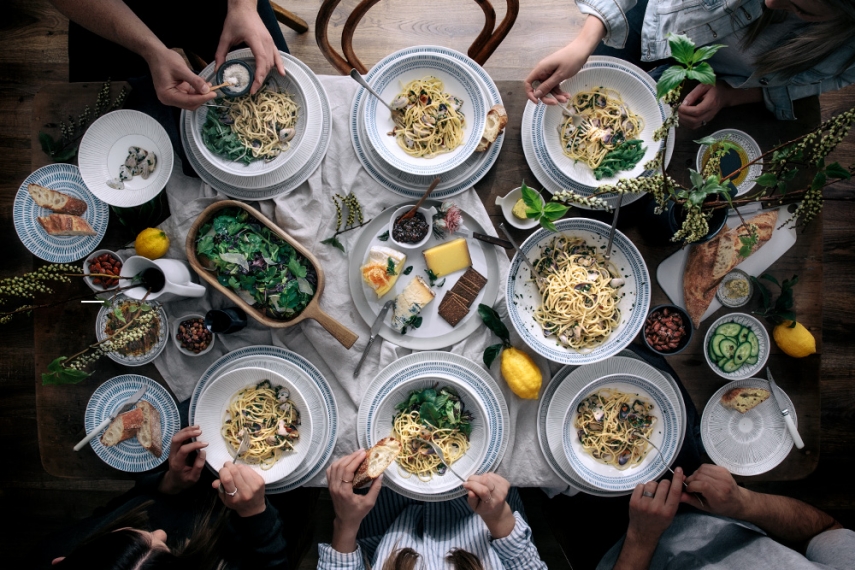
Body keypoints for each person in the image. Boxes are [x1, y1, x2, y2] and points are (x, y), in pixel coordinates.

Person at [525, 0, 855, 126]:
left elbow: (821, 81)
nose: (770, 2)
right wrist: (584, 42)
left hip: (713, 79)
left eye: (801, 8)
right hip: (653, 21)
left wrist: (729, 95)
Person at [40, 425, 296, 569]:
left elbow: (115, 509)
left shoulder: (54, 549)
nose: (160, 532)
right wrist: (256, 515)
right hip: (264, 515)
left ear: (61, 563)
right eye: (165, 548)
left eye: (141, 533)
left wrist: (168, 484)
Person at [319, 450, 548, 569]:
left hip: (387, 521)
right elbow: (526, 564)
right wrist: (499, 517)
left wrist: (345, 523)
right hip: (485, 514)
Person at [598, 463, 855, 569]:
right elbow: (824, 530)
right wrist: (744, 503)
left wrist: (641, 536)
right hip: (709, 506)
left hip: (615, 540)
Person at [49, 0, 288, 111]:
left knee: (280, 86)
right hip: (111, 11)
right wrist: (150, 49)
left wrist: (243, 7)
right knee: (100, 126)